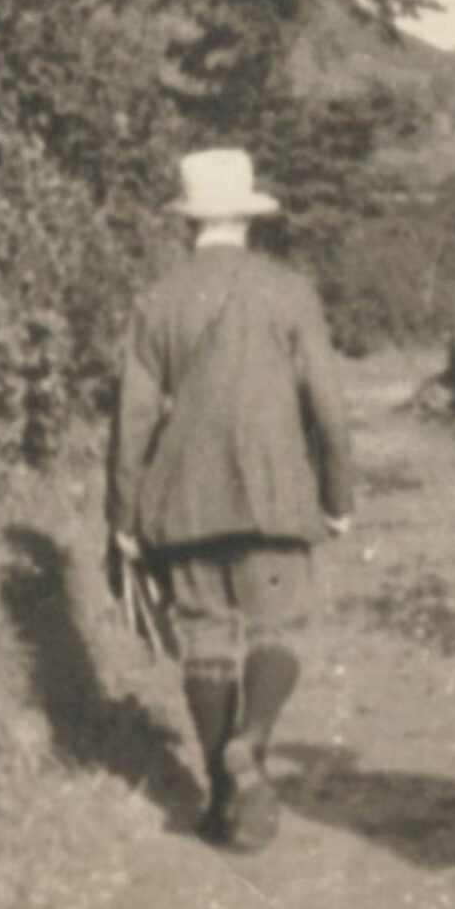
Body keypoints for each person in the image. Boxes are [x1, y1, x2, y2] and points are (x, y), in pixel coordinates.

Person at [107, 148, 356, 852]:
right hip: (275, 495)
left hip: (184, 499)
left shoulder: (157, 301)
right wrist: (337, 497)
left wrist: (123, 517)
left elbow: (132, 419)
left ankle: (223, 798)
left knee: (207, 642)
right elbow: (329, 409)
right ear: (248, 219)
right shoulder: (290, 293)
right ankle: (252, 739)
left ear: (188, 223)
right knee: (276, 631)